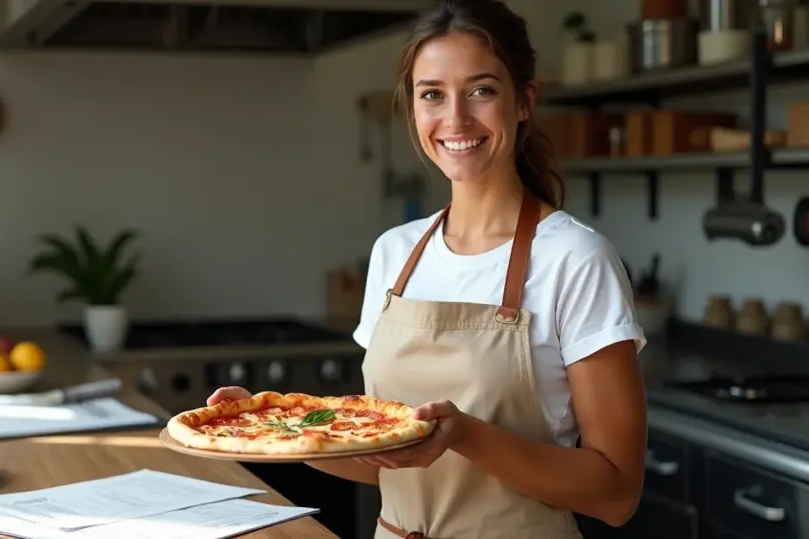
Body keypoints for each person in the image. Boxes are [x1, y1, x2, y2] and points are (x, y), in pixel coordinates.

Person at [206, 0, 648, 537]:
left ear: (524, 101)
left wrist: (464, 434)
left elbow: (617, 493)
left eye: (481, 91)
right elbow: (385, 461)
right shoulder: (395, 253)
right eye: (432, 95)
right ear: (412, 109)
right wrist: (270, 430)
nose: (455, 119)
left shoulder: (575, 259)